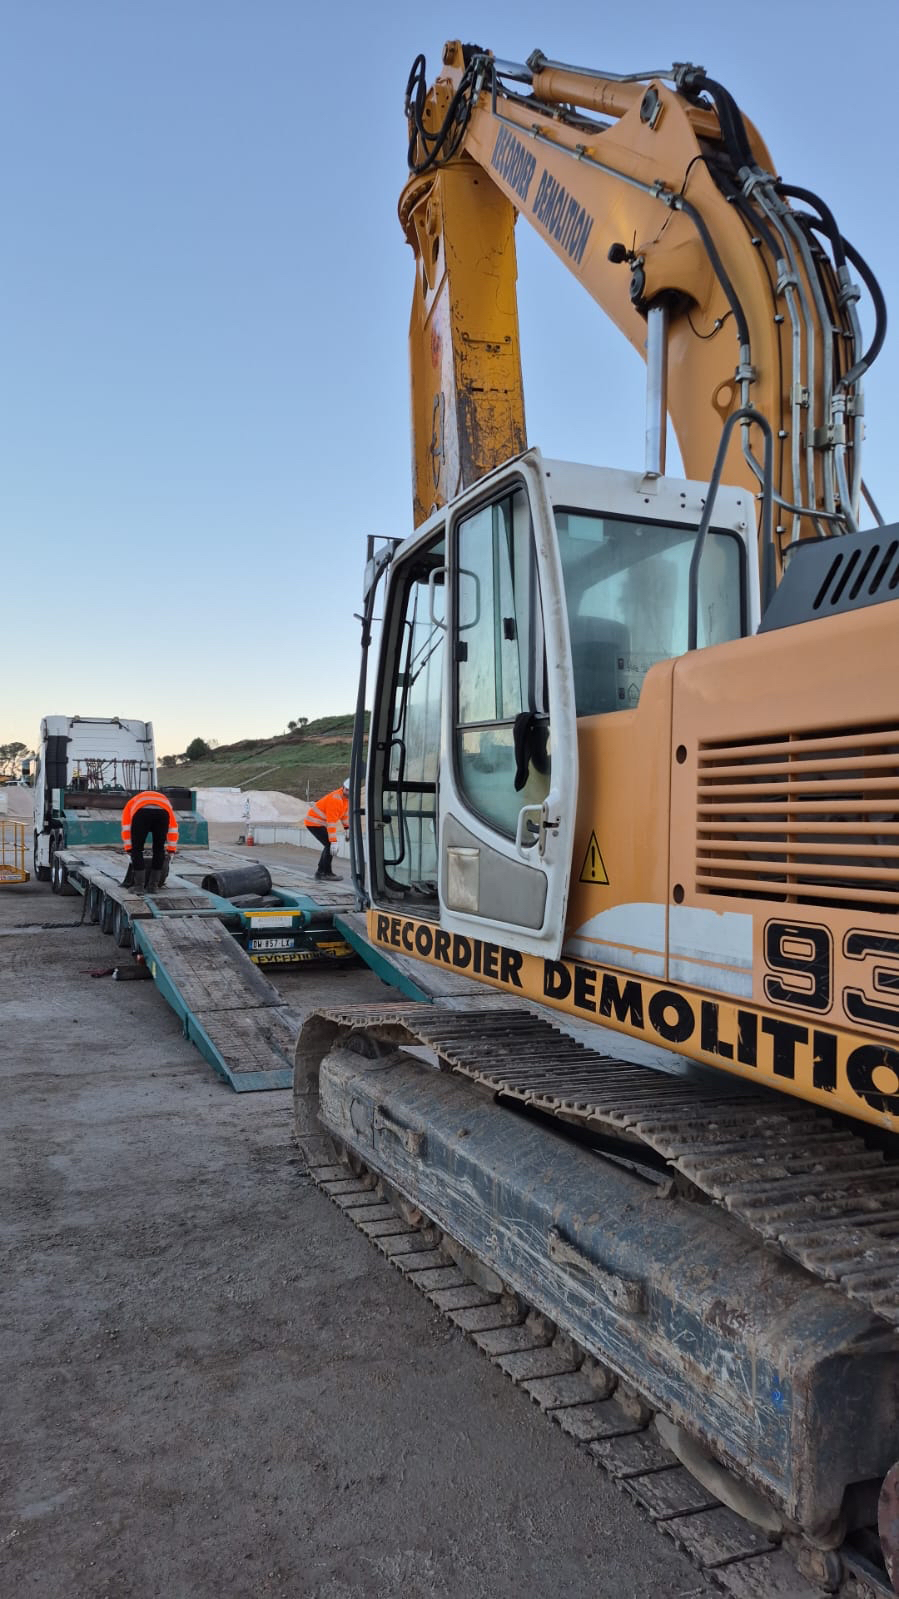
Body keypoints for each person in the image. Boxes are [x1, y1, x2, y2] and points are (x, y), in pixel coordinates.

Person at [121, 789, 179, 891]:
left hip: (141, 813)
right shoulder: (165, 801)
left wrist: (129, 849)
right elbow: (173, 828)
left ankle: (139, 887)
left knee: (137, 849)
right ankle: (153, 886)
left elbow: (126, 827)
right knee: (159, 848)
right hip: (162, 814)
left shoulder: (132, 802)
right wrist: (171, 850)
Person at [304, 779, 350, 880]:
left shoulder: (346, 799)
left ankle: (324, 872)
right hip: (313, 823)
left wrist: (347, 828)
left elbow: (344, 815)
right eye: (346, 790)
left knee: (328, 845)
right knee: (329, 845)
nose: (348, 792)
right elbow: (331, 823)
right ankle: (323, 873)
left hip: (319, 823)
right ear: (343, 787)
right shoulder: (335, 799)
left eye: (350, 790)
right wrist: (334, 841)